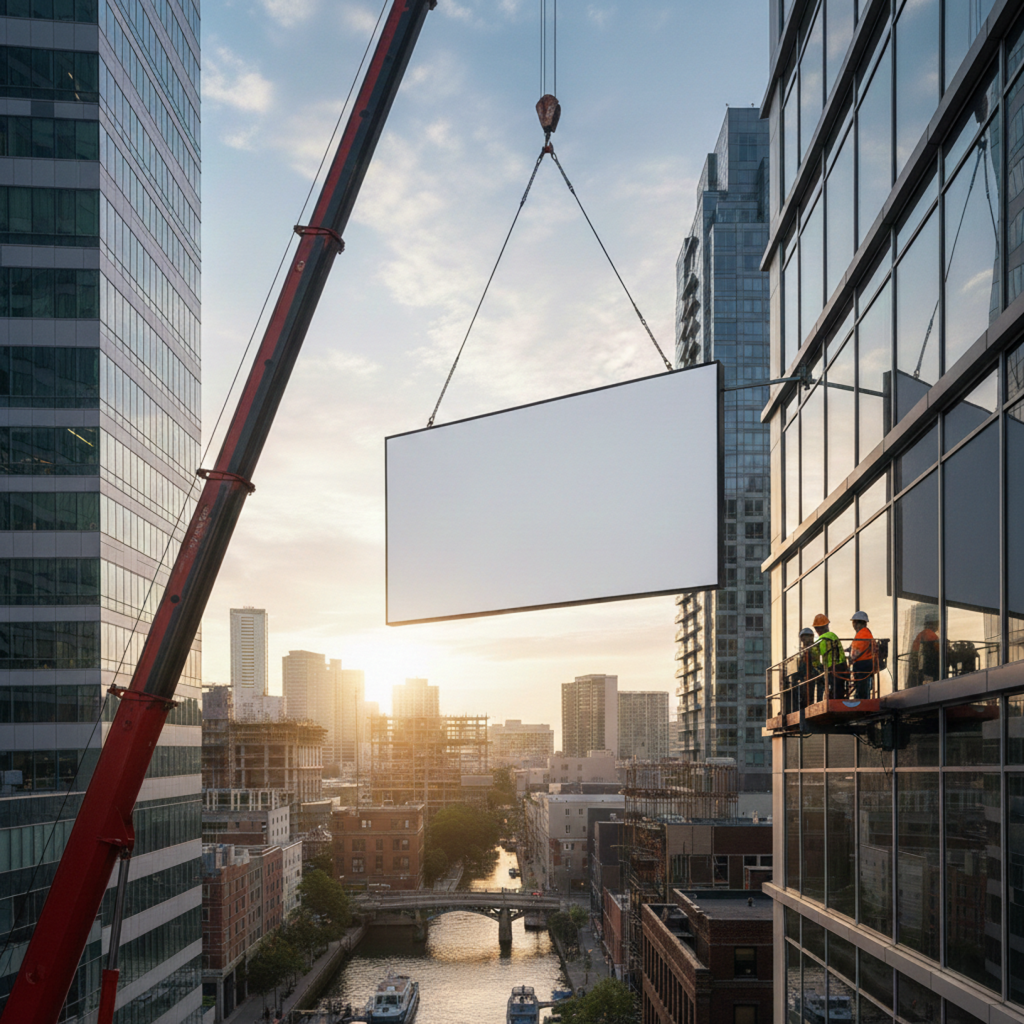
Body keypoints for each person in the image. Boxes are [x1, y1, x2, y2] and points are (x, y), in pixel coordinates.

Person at [813, 613, 847, 699]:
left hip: (831, 668)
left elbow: (815, 658)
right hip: (842, 666)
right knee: (840, 689)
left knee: (833, 689)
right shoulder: (834, 636)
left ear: (817, 629)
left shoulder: (821, 640)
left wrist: (819, 668)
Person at [787, 627, 820, 711]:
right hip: (804, 674)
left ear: (811, 637)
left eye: (806, 637)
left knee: (809, 691)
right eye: (803, 637)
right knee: (793, 684)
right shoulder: (804, 650)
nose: (804, 639)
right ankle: (797, 705)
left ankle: (806, 704)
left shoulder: (813, 648)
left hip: (812, 673)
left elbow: (813, 661)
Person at [848, 611, 875, 699]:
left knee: (862, 686)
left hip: (863, 664)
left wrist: (851, 658)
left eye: (855, 623)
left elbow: (857, 651)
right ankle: (861, 696)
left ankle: (861, 698)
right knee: (862, 685)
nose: (854, 625)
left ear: (860, 623)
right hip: (864, 663)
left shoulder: (863, 633)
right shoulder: (863, 633)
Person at [910, 615, 940, 685]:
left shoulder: (921, 634)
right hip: (928, 663)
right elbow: (936, 648)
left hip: (921, 662)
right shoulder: (929, 633)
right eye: (936, 624)